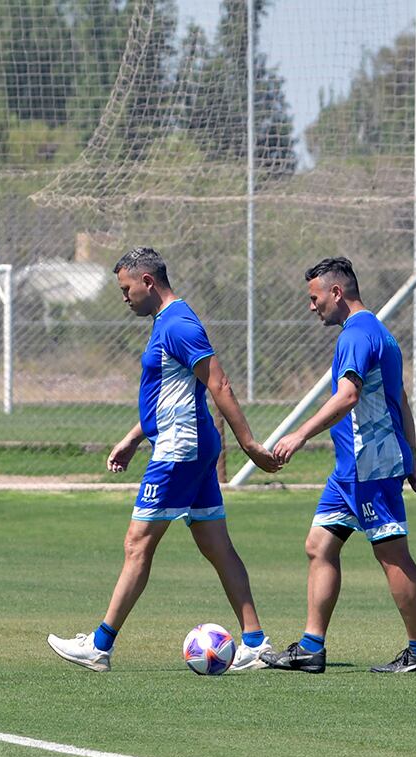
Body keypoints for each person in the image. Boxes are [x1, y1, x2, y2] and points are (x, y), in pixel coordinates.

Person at [47, 247, 280, 672]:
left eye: (126, 288)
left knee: (138, 543)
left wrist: (248, 443)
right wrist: (135, 436)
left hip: (180, 452)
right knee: (215, 545)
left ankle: (99, 646)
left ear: (148, 282)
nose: (124, 297)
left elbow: (218, 382)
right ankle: (255, 644)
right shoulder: (167, 323)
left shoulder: (179, 324)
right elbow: (174, 394)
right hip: (186, 444)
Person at [260, 256, 416, 674]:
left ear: (336, 293)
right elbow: (402, 400)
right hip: (350, 471)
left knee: (393, 556)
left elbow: (347, 397)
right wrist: (412, 456)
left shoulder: (356, 335)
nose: (311, 306)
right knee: (318, 546)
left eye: (315, 297)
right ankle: (310, 647)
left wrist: (299, 435)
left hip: (370, 466)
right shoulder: (379, 333)